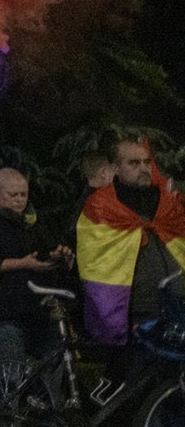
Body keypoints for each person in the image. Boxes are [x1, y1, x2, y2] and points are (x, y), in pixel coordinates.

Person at [77, 136, 185, 358]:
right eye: (134, 164)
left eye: (146, 162)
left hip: (177, 304)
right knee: (143, 379)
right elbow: (96, 260)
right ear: (115, 168)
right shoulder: (102, 206)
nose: (144, 168)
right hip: (138, 310)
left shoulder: (167, 201)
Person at [0, 170, 70, 361]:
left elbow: (46, 252)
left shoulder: (35, 221)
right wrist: (22, 264)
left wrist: (58, 256)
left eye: (23, 194)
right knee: (10, 375)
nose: (19, 200)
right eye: (13, 195)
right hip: (1, 313)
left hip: (38, 312)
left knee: (53, 368)